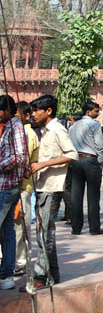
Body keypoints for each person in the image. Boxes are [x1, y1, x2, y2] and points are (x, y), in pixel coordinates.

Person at [29, 95, 76, 287]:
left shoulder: (57, 129)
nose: (33, 114)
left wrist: (44, 164)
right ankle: (53, 274)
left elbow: (72, 154)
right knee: (45, 232)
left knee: (44, 234)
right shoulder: (45, 131)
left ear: (48, 111)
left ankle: (42, 276)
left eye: (36, 110)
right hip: (43, 186)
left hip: (53, 188)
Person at [0, 94, 29, 290]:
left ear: (8, 110)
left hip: (7, 186)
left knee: (7, 232)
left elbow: (20, 156)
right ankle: (6, 275)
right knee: (7, 233)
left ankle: (7, 273)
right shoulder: (8, 127)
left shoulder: (16, 127)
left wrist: (0, 165)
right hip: (5, 186)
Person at [68, 99, 103, 236]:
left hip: (76, 160)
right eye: (96, 111)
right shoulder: (94, 125)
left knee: (76, 196)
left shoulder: (73, 126)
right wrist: (100, 162)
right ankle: (94, 228)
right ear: (88, 111)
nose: (98, 113)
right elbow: (100, 146)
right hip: (90, 160)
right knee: (93, 197)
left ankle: (76, 227)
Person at [13, 101, 37, 278]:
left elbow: (21, 162)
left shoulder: (26, 133)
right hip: (16, 186)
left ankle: (21, 261)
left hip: (23, 186)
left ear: (26, 116)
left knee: (21, 226)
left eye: (17, 115)